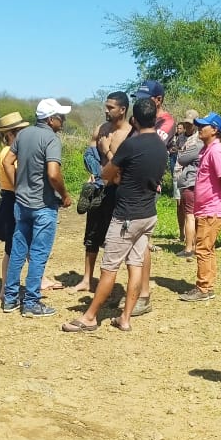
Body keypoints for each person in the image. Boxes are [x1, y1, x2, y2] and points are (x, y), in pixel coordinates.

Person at [61, 97, 167, 333]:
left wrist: (108, 154)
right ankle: (125, 318)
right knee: (136, 265)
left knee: (109, 268)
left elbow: (107, 175)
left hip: (126, 215)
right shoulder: (162, 146)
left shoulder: (131, 145)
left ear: (134, 119)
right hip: (148, 214)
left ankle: (89, 317)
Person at [1, 98, 73, 318]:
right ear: (50, 119)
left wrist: (18, 186)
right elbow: (53, 173)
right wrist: (65, 195)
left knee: (18, 251)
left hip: (21, 204)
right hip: (43, 206)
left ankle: (10, 299)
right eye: (60, 117)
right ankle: (31, 302)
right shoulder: (51, 139)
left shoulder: (23, 135)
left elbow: (7, 162)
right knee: (39, 254)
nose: (63, 120)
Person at [72, 92, 131, 293]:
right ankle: (87, 279)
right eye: (106, 106)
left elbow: (122, 168)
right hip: (99, 188)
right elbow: (90, 155)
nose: (106, 110)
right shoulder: (101, 129)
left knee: (114, 238)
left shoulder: (129, 134)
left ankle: (108, 283)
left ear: (122, 109)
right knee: (92, 234)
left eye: (110, 107)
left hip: (118, 191)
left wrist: (107, 150)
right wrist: (94, 173)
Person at [126, 80, 175, 317]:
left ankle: (143, 295)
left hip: (146, 189)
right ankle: (136, 292)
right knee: (131, 243)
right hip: (128, 188)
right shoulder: (140, 121)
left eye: (145, 98)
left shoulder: (166, 122)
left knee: (141, 243)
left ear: (158, 99)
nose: (140, 102)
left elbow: (142, 146)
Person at [179, 112, 221, 302]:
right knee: (207, 249)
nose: (200, 128)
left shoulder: (217, 151)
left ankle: (203, 289)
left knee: (202, 249)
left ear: (215, 130)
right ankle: (207, 286)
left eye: (204, 126)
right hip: (207, 208)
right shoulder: (206, 150)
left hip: (213, 209)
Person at [0, 111, 29, 300]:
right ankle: (6, 288)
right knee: (12, 249)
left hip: (9, 199)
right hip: (13, 199)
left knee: (14, 247)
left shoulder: (7, 151)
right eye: (20, 131)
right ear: (11, 133)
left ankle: (6, 287)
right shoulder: (10, 153)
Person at [173, 109, 201, 257]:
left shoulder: (199, 140)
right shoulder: (180, 138)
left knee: (191, 212)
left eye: (190, 124)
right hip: (179, 175)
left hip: (190, 178)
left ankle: (191, 245)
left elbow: (184, 158)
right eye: (186, 124)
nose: (188, 126)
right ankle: (183, 235)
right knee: (181, 207)